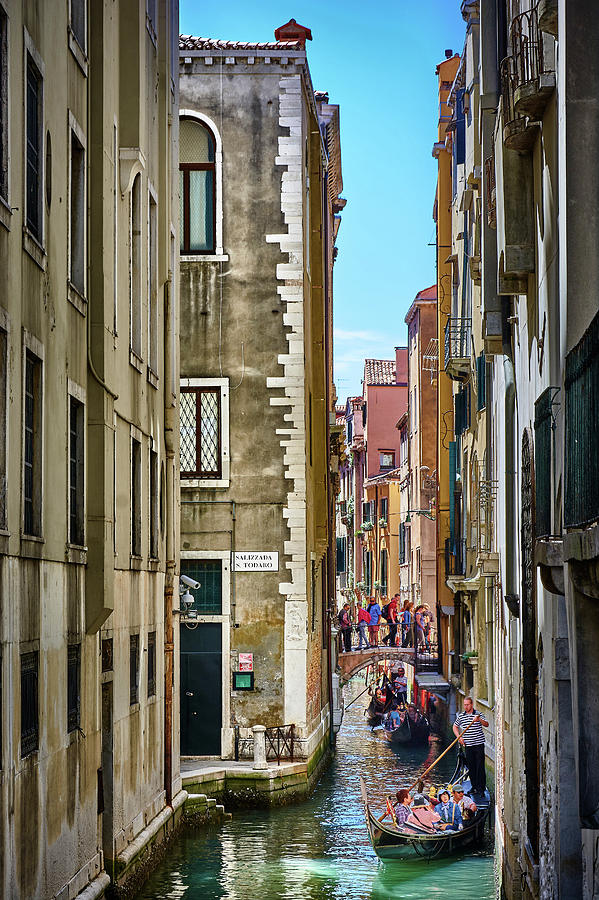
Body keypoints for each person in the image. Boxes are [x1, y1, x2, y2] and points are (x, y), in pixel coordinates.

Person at [453, 696, 489, 796]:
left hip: (478, 745)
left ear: (471, 704)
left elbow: (486, 724)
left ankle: (481, 789)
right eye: (464, 705)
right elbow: (455, 726)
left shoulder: (478, 714)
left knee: (480, 767)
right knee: (471, 767)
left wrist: (479, 720)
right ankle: (474, 787)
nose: (466, 706)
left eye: (467, 704)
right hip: (468, 745)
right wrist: (459, 737)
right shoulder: (461, 716)